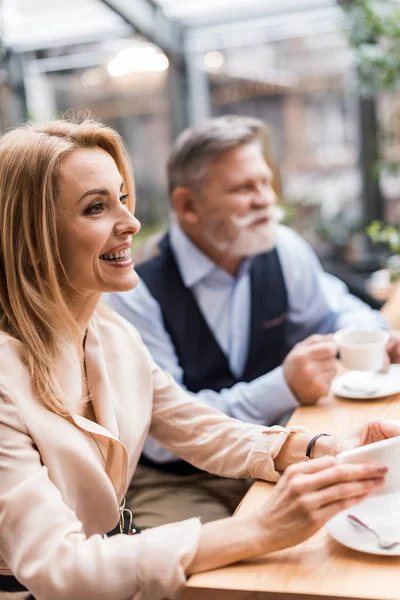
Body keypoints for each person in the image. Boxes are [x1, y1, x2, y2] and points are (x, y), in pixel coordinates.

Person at [0, 117, 397, 600]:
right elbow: (58, 567)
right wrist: (259, 530)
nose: (131, 224)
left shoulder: (109, 331)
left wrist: (325, 448)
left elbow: (197, 426)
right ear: (30, 237)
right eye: (96, 208)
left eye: (123, 199)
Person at [106, 115, 400, 529]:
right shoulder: (133, 288)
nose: (265, 199)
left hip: (276, 454)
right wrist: (283, 386)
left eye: (265, 183)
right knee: (217, 582)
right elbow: (160, 442)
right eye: (244, 188)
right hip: (177, 481)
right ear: (188, 206)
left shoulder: (280, 247)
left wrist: (376, 337)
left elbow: (335, 312)